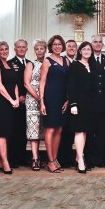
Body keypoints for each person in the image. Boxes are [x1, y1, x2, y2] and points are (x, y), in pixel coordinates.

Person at [40, 35, 69, 173]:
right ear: (51, 46)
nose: (57, 46)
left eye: (59, 44)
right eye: (54, 44)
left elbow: (69, 82)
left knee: (59, 129)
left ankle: (55, 159)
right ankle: (50, 161)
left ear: (62, 46)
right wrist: (42, 102)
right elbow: (42, 82)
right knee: (50, 129)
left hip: (62, 99)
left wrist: (68, 99)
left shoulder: (65, 60)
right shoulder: (47, 61)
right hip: (50, 98)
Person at [0, 41, 19, 174]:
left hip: (11, 102)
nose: (4, 51)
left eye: (6, 49)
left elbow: (15, 84)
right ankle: (5, 163)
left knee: (0, 132)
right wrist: (11, 99)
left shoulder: (10, 64)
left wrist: (17, 98)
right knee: (1, 132)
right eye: (2, 49)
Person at [67, 42, 94, 174]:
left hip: (89, 104)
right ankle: (81, 161)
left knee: (85, 131)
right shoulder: (75, 65)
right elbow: (71, 86)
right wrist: (73, 104)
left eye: (89, 49)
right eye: (84, 49)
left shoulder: (92, 65)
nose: (87, 51)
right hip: (78, 104)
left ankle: (79, 156)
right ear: (80, 51)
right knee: (79, 131)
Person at [85, 35, 105, 169]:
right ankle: (90, 159)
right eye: (95, 42)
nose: (98, 44)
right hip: (90, 103)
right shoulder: (86, 60)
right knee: (90, 133)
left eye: (100, 42)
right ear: (91, 44)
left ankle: (100, 159)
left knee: (102, 133)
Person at [24, 39, 46, 170]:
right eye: (37, 49)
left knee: (45, 128)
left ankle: (49, 158)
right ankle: (35, 158)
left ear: (45, 50)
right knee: (34, 129)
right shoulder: (30, 64)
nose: (39, 51)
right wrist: (38, 98)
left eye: (41, 48)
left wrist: (44, 99)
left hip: (46, 99)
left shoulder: (49, 63)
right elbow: (27, 83)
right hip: (33, 99)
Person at [9, 39, 30, 168]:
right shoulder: (10, 63)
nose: (21, 49)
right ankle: (13, 158)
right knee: (14, 131)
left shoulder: (30, 63)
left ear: (27, 49)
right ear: (15, 48)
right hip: (15, 102)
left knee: (24, 131)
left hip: (28, 101)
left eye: (23, 47)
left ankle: (22, 157)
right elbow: (11, 83)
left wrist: (27, 97)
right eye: (19, 47)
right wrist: (18, 97)